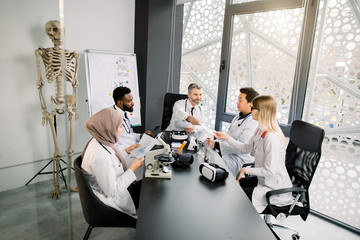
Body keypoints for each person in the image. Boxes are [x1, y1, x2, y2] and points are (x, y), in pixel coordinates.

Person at [214, 95, 293, 213]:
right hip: (262, 181)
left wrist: (245, 170)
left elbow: (270, 171)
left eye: (253, 108)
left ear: (262, 112)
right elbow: (245, 148)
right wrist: (227, 138)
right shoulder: (260, 130)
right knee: (232, 189)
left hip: (274, 189)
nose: (251, 111)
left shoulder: (272, 138)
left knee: (236, 201)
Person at [82, 108, 144, 218]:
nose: (121, 131)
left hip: (114, 188)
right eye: (120, 127)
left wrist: (126, 151)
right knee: (150, 193)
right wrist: (132, 169)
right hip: (112, 201)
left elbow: (112, 161)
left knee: (147, 185)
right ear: (110, 128)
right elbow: (113, 192)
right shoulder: (100, 156)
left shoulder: (100, 139)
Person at [207, 87, 259, 177]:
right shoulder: (238, 117)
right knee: (208, 158)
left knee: (213, 163)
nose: (237, 102)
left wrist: (216, 145)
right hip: (229, 154)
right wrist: (214, 142)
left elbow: (241, 147)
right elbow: (228, 137)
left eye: (240, 100)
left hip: (239, 160)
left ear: (250, 104)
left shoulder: (253, 122)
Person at [112, 86, 152, 180]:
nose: (133, 103)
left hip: (133, 149)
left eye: (132, 100)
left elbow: (129, 135)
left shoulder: (124, 113)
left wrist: (141, 136)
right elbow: (113, 145)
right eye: (129, 101)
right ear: (120, 102)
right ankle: (138, 186)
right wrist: (129, 149)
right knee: (149, 162)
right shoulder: (112, 118)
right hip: (124, 156)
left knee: (152, 154)